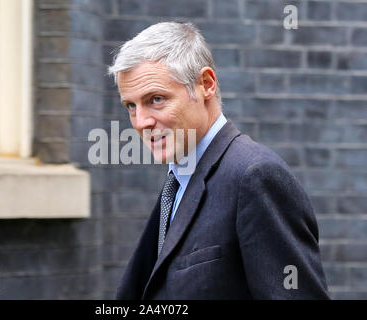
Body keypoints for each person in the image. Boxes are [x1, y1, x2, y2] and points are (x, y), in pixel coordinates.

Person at [108, 21, 329, 299]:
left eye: (156, 99)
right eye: (131, 105)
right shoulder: (179, 178)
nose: (141, 122)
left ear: (206, 85)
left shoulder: (255, 176)